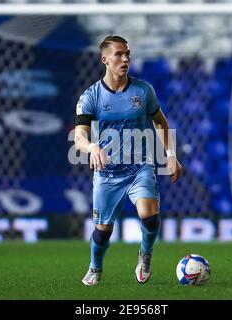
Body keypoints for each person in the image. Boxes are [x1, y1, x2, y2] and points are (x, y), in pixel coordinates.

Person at [74, 35, 182, 286]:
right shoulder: (91, 96)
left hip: (139, 167)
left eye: (127, 54)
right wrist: (91, 147)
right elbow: (79, 136)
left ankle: (145, 255)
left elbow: (160, 122)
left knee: (149, 214)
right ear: (105, 59)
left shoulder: (143, 90)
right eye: (119, 54)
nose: (125, 59)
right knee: (103, 232)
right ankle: (95, 267)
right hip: (107, 174)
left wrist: (171, 155)